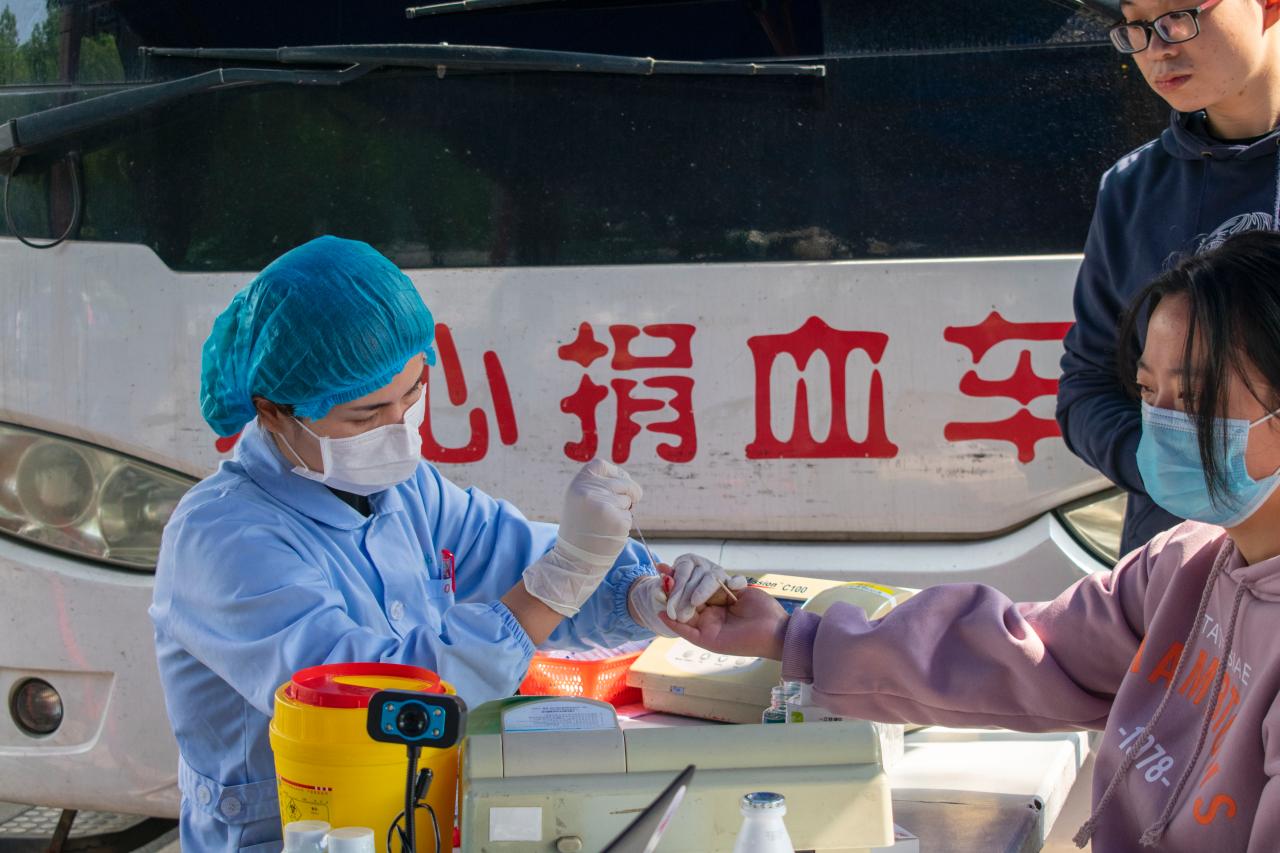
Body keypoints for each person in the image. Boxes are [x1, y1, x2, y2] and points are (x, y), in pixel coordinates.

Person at [667, 231, 1280, 851]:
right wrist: (787, 634)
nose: (1164, 423)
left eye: (1195, 396)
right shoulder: (1187, 564)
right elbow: (1027, 651)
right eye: (1149, 392)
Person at [149, 236, 741, 852]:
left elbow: (511, 557)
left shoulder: (405, 490)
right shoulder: (223, 539)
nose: (397, 430)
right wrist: (560, 581)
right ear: (272, 412)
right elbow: (375, 704)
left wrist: (639, 594)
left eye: (411, 395)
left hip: (421, 821)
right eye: (364, 417)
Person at [1057, 0, 1280, 554]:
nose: (1157, 49)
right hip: (1178, 558)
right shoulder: (1131, 189)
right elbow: (1088, 385)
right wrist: (1176, 470)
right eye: (1134, 26)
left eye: (1178, 15)